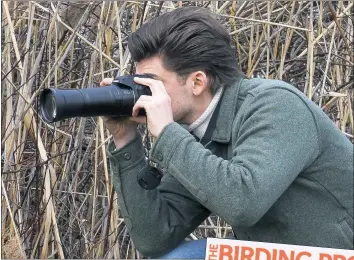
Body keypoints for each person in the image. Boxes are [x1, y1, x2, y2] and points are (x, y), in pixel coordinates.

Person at [100, 6, 353, 258]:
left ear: (198, 82)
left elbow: (242, 202)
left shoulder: (276, 106)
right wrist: (125, 139)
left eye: (152, 82)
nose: (144, 93)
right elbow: (154, 237)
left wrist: (167, 133)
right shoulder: (202, 132)